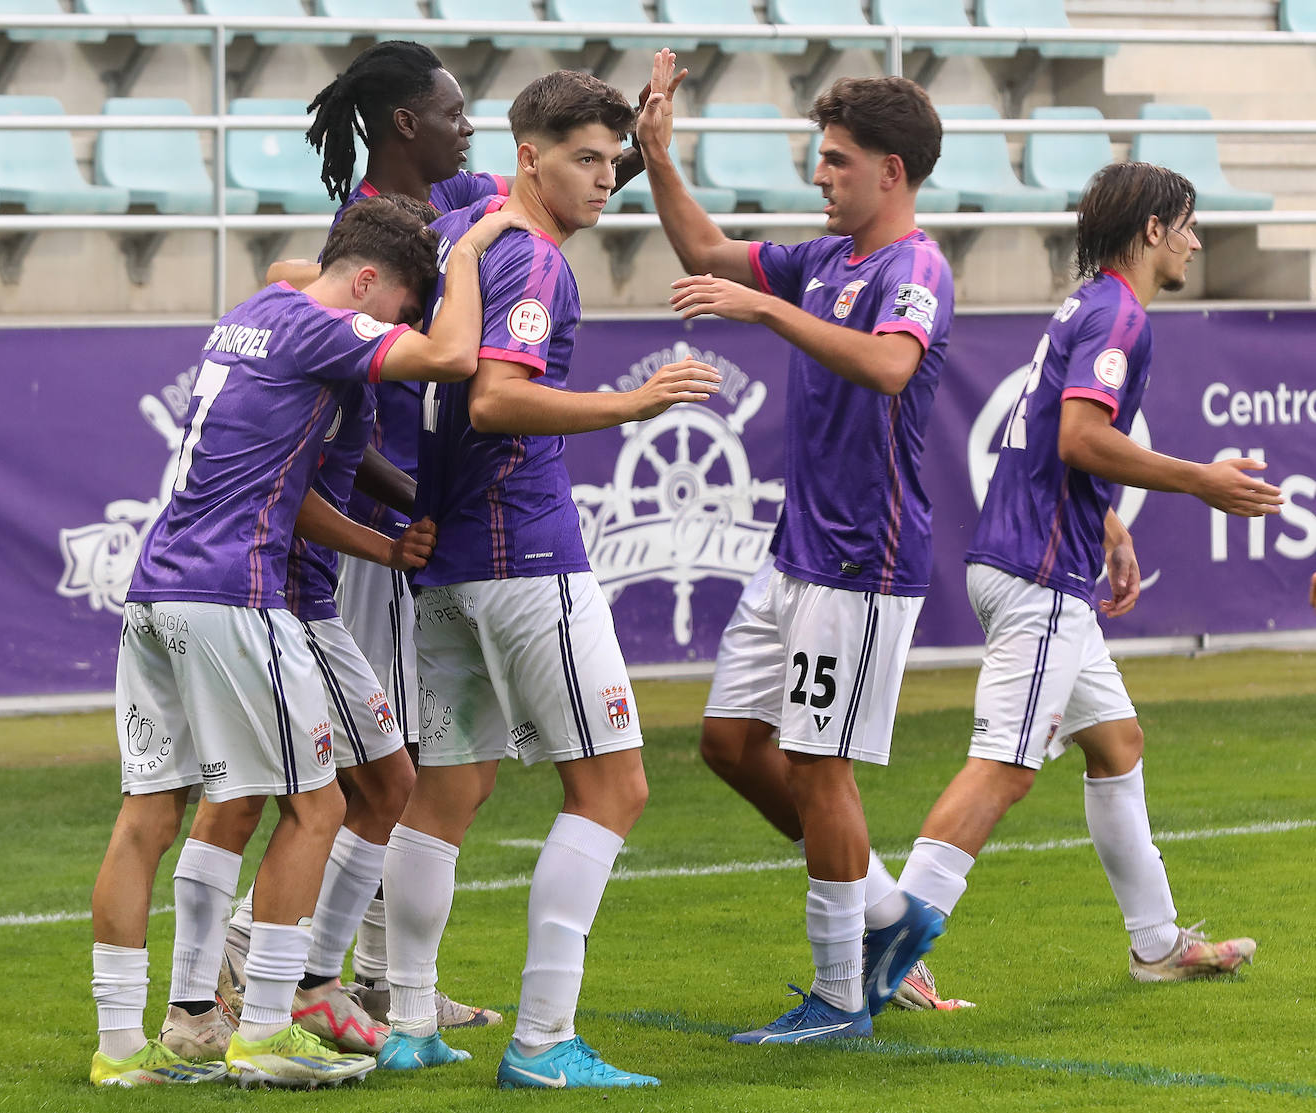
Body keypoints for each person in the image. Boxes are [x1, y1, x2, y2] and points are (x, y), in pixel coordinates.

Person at [88, 194, 522, 1088]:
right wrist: (473, 247)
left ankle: (126, 1047)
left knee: (149, 816)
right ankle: (271, 1025)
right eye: (396, 306)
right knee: (315, 807)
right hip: (236, 597)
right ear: (364, 282)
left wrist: (380, 543)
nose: (396, 331)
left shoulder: (255, 313)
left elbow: (288, 481)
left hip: (156, 591)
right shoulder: (321, 332)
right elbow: (454, 355)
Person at [379, 70, 721, 1089]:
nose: (605, 178)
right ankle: (541, 1039)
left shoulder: (469, 231)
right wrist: (632, 404)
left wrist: (642, 124)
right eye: (586, 158)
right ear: (527, 157)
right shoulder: (532, 262)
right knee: (613, 785)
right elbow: (494, 401)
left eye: (614, 161)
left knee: (445, 791)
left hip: (446, 562)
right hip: (523, 555)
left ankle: (405, 1022)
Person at [890, 161, 1278, 984]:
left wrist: (1106, 522)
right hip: (1035, 574)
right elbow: (1076, 437)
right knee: (1004, 766)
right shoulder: (1120, 315)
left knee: (1117, 744)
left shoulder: (1089, 304)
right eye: (1188, 225)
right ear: (1151, 231)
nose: (1196, 241)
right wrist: (1202, 479)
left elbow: (1044, 435)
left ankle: (1157, 943)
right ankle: (881, 954)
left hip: (1041, 560)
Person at [638, 55, 955, 1040]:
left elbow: (893, 367)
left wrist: (771, 310)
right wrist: (657, 155)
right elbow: (702, 244)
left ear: (890, 172)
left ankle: (840, 994)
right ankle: (888, 914)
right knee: (731, 745)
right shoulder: (827, 262)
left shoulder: (915, 269)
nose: (820, 178)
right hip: (797, 554)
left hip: (862, 560)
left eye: (836, 162)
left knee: (822, 769)